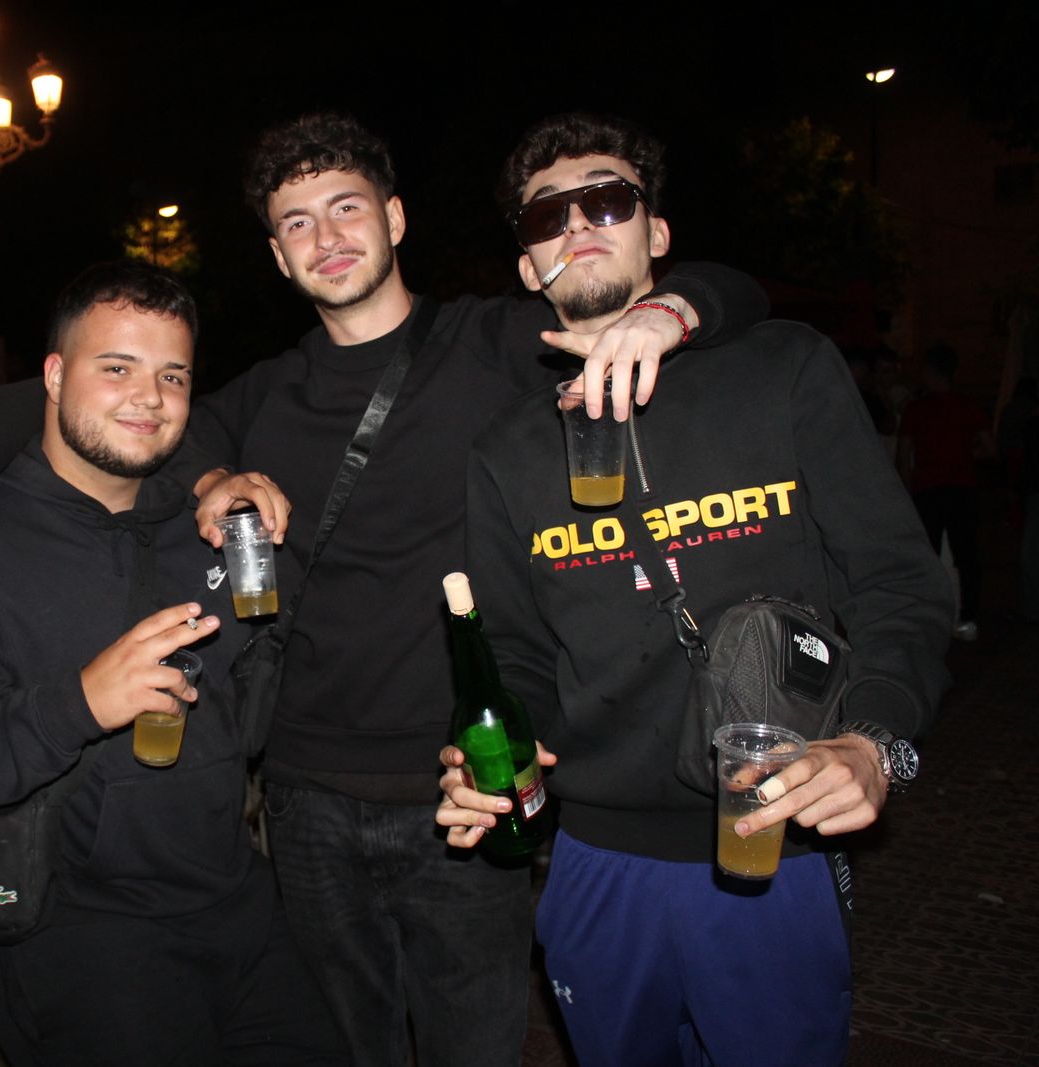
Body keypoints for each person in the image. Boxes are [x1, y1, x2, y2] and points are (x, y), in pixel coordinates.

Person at [182, 112, 769, 1066]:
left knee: (475, 1045)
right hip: (304, 792)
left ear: (396, 218)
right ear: (278, 256)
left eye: (346, 208)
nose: (326, 237)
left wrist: (671, 311)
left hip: (466, 785)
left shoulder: (494, 341)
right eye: (297, 222)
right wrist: (214, 479)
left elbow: (729, 297)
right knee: (342, 1045)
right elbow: (171, 438)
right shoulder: (259, 396)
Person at [438, 112, 953, 1067]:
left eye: (608, 198)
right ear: (526, 266)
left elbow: (899, 585)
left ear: (656, 232)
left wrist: (875, 743)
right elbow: (513, 652)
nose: (578, 222)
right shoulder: (505, 450)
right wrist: (502, 760)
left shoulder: (781, 368)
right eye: (547, 215)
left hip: (769, 851)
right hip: (597, 867)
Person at [0, 262, 347, 1067]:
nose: (150, 397)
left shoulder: (204, 525)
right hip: (80, 941)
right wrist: (81, 703)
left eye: (173, 375)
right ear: (56, 374)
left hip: (238, 904)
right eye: (117, 368)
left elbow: (269, 682)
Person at [897, 342, 995, 639]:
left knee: (928, 556)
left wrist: (905, 489)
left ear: (929, 371)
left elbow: (903, 455)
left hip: (928, 489)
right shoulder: (967, 406)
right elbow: (991, 449)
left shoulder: (917, 409)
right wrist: (966, 453)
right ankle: (967, 618)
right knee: (967, 556)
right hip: (961, 487)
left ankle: (928, 618)